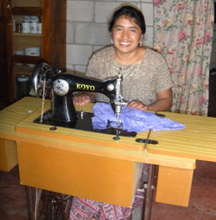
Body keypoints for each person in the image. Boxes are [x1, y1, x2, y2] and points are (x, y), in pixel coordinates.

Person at [70, 4, 172, 220]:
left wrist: (148, 108)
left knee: (117, 181)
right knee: (87, 177)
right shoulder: (99, 58)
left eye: (132, 29)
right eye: (119, 28)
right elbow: (91, 91)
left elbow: (166, 100)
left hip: (138, 133)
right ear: (111, 33)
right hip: (102, 130)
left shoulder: (155, 61)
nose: (125, 36)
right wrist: (84, 97)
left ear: (141, 35)